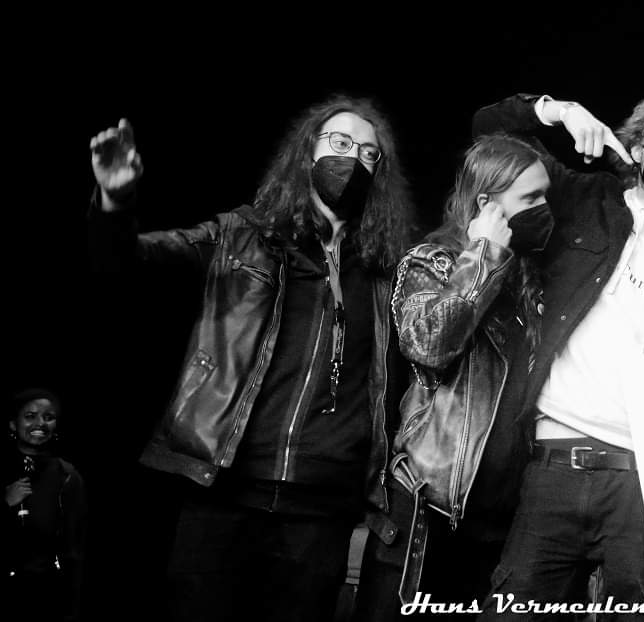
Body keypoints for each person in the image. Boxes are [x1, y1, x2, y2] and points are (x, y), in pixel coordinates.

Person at [87, 96, 415, 622]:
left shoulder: (384, 270)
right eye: (340, 143)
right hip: (226, 493)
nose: (353, 159)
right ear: (307, 153)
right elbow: (124, 261)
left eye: (368, 153)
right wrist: (114, 202)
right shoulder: (240, 236)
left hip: (322, 509)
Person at [472, 89, 644, 618]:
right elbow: (489, 131)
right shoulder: (587, 202)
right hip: (551, 465)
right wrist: (559, 111)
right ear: (636, 150)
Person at [353, 133, 551, 621]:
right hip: (431, 505)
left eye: (545, 195)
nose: (543, 208)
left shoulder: (530, 279)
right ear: (487, 205)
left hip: (502, 517)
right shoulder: (432, 261)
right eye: (530, 198)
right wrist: (483, 255)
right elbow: (428, 345)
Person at [2, 388, 87, 622]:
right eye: (30, 416)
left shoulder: (67, 476)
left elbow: (75, 547)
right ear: (13, 424)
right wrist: (5, 504)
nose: (40, 423)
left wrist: (71, 609)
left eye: (48, 417)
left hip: (46, 595)